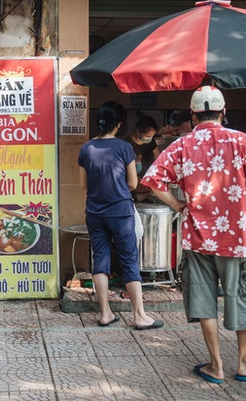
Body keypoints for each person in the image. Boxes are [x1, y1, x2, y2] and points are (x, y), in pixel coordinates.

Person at [141, 86, 246, 384]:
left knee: (203, 300)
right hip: (236, 239)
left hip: (197, 237)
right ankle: (245, 363)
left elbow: (152, 180)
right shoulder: (241, 141)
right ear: (223, 112)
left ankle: (215, 366)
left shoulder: (181, 144)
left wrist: (177, 204)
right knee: (240, 296)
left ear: (192, 114)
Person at [78, 101, 163, 330]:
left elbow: (83, 185)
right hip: (121, 212)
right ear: (118, 124)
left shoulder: (86, 149)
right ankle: (139, 316)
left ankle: (105, 313)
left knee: (101, 260)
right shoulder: (124, 148)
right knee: (129, 260)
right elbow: (133, 183)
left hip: (95, 212)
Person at [126, 111, 160, 201]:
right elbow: (129, 176)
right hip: (134, 188)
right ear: (138, 132)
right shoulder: (127, 145)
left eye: (152, 136)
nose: (150, 138)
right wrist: (145, 187)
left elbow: (157, 157)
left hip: (148, 183)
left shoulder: (151, 142)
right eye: (148, 136)